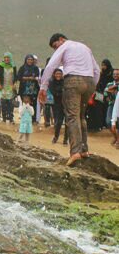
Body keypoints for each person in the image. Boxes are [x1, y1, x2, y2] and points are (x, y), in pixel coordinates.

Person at [39, 33, 100, 166]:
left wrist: (43, 87)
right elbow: (97, 70)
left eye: (55, 46)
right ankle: (84, 149)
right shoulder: (85, 47)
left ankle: (75, 152)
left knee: (72, 117)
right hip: (89, 81)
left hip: (73, 80)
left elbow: (50, 66)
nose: (56, 49)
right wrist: (92, 87)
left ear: (61, 39)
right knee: (81, 116)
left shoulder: (65, 46)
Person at [87, 59, 113, 132]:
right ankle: (99, 125)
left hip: (109, 95)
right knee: (99, 109)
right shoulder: (101, 74)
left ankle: (107, 125)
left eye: (104, 65)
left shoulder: (111, 74)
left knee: (106, 109)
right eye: (102, 65)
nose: (103, 67)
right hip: (100, 94)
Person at [0, 52, 17, 123]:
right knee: (3, 103)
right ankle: (4, 118)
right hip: (3, 87)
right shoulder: (1, 66)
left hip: (10, 87)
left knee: (11, 103)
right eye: (5, 58)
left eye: (8, 57)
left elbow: (15, 76)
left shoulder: (13, 66)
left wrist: (14, 84)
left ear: (10, 58)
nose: (6, 59)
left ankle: (11, 118)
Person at [17, 55, 40, 122]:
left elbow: (37, 76)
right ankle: (25, 118)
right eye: (28, 59)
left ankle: (33, 119)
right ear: (26, 60)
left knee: (33, 104)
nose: (30, 61)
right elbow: (19, 77)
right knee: (25, 104)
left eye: (31, 60)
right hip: (24, 89)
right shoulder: (22, 68)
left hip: (33, 89)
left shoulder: (35, 68)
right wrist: (28, 78)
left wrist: (33, 78)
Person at [49, 69, 68, 145]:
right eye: (57, 74)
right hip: (58, 104)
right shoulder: (52, 82)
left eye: (60, 74)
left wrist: (60, 92)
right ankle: (56, 137)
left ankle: (65, 139)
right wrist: (61, 91)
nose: (58, 75)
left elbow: (66, 91)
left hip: (66, 104)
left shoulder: (65, 82)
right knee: (58, 122)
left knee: (67, 122)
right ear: (54, 74)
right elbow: (54, 92)